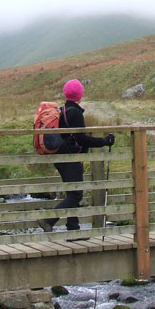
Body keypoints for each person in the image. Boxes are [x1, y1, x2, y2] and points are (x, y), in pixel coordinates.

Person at [40, 79, 114, 231]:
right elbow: (82, 139)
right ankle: (49, 220)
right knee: (75, 195)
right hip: (70, 158)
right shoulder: (75, 113)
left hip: (60, 157)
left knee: (72, 193)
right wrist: (104, 141)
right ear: (80, 95)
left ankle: (73, 228)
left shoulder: (62, 111)